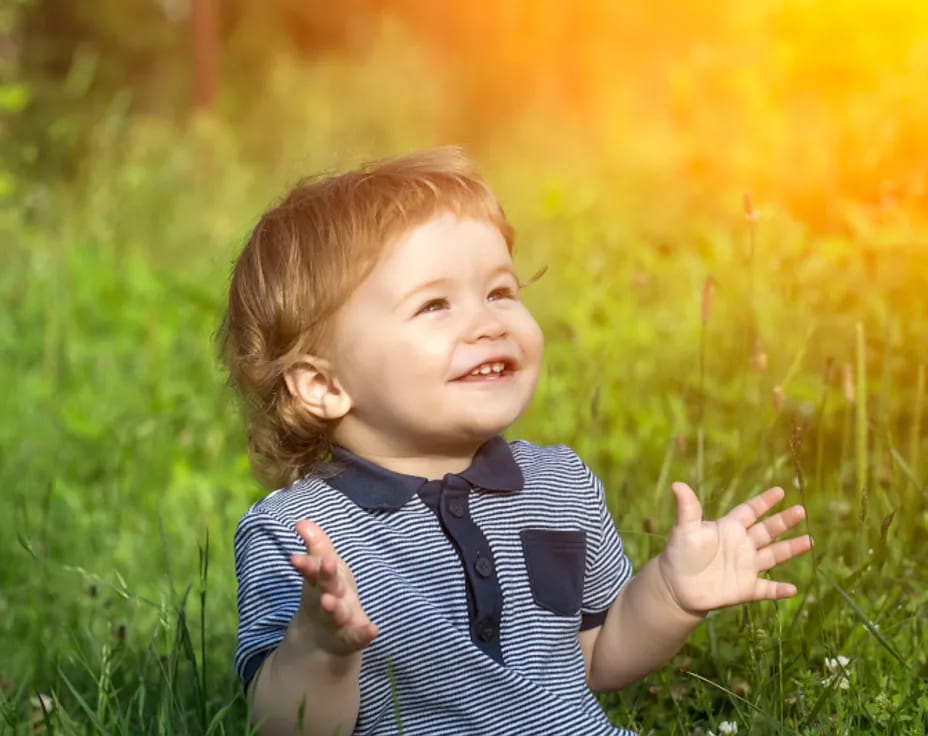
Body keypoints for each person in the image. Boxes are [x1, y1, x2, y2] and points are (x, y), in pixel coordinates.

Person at [220, 146, 811, 736]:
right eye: (434, 305)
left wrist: (672, 594)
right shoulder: (301, 536)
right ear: (324, 385)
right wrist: (321, 648)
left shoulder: (560, 485)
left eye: (500, 292)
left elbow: (594, 656)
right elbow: (285, 727)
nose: (488, 322)